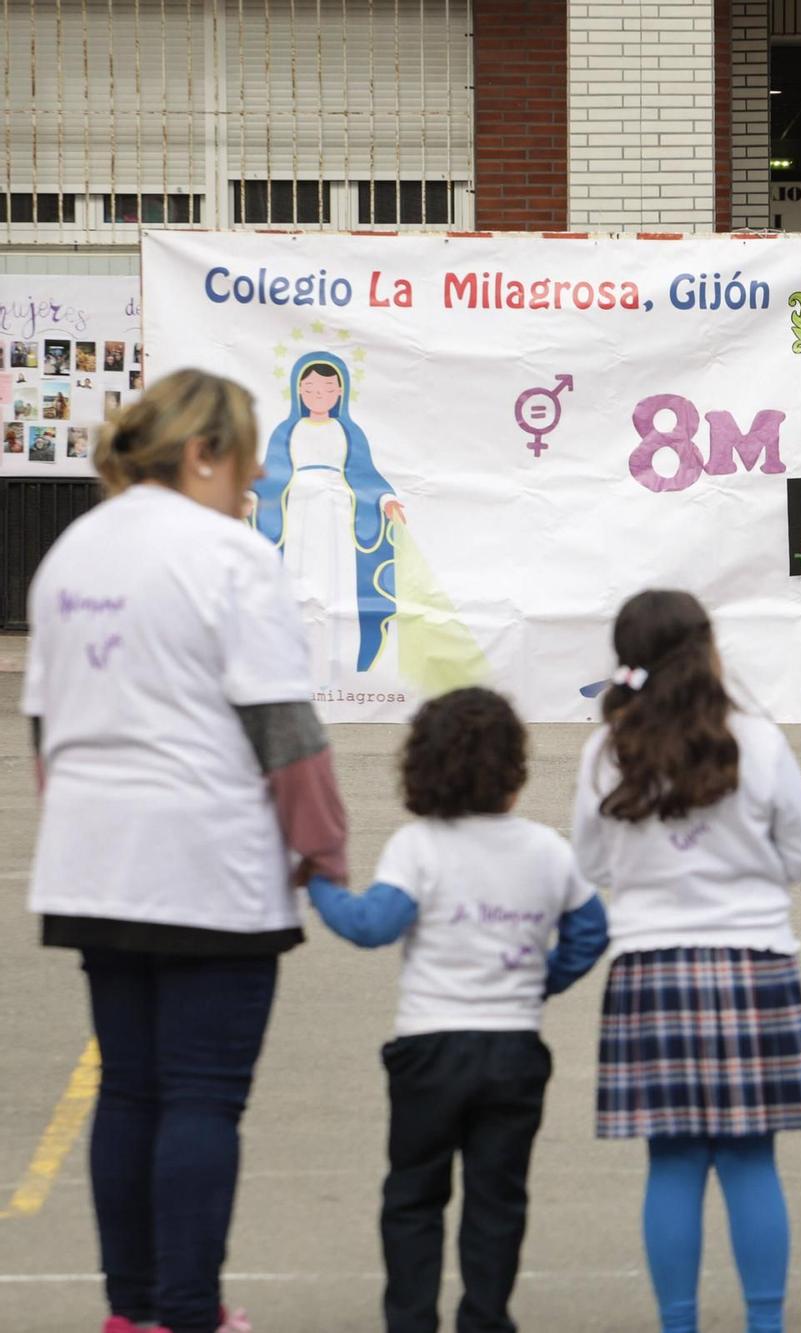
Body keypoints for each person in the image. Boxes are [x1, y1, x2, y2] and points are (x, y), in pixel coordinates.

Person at [23, 370, 349, 1333]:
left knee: (127, 1092)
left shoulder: (69, 553)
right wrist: (324, 850)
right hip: (207, 864)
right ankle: (189, 1311)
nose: (249, 485)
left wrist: (88, 827)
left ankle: (133, 1312)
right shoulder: (228, 555)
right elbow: (284, 727)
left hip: (93, 862)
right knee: (203, 1098)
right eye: (242, 463)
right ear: (203, 453)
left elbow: (46, 730)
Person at [305, 688, 608, 1333]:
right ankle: (485, 1318)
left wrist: (321, 886)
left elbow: (373, 926)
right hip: (514, 1049)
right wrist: (539, 981)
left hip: (430, 1049)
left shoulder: (418, 847)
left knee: (413, 1194)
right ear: (515, 770)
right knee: (497, 1199)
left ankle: (411, 1320)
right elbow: (590, 931)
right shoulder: (546, 849)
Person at [570, 590, 801, 1333]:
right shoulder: (757, 738)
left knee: (673, 1161)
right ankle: (765, 1323)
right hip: (754, 962)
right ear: (708, 650)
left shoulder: (606, 748)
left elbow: (590, 861)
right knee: (750, 1160)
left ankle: (678, 1324)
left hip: (650, 969)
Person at [250, 352, 407, 678]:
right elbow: (269, 474)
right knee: (296, 584)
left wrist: (386, 500)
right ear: (299, 391)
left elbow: (366, 474)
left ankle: (343, 659)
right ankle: (295, 659)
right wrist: (252, 497)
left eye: (325, 389)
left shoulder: (348, 432)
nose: (317, 395)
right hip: (299, 515)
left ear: (339, 392)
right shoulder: (287, 431)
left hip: (337, 517)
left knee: (340, 585)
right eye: (310, 388)